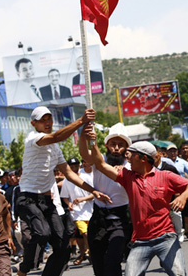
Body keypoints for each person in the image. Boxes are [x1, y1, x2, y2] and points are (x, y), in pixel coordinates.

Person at [86, 129, 188, 276]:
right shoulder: (127, 176)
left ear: (143, 158)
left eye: (131, 155)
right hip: (140, 242)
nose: (128, 157)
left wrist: (182, 197)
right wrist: (92, 141)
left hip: (166, 238)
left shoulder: (165, 176)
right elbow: (100, 164)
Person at [15, 106, 108, 276]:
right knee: (42, 233)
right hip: (27, 198)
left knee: (63, 248)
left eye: (49, 119)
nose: (47, 122)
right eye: (43, 120)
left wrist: (93, 191)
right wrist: (82, 121)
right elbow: (57, 136)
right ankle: (23, 269)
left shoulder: (55, 149)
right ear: (33, 123)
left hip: (46, 202)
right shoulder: (33, 138)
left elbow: (69, 173)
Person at [79, 121, 132, 276]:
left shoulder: (130, 167)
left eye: (120, 145)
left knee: (113, 259)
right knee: (98, 261)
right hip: (98, 218)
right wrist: (85, 136)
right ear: (107, 145)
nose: (116, 148)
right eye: (113, 144)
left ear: (126, 148)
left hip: (120, 220)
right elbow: (84, 153)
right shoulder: (98, 160)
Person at [60, 158, 94, 265]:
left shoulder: (86, 178)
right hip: (77, 213)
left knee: (90, 234)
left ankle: (88, 253)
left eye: (76, 166)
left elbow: (94, 194)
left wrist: (82, 199)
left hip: (90, 210)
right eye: (72, 167)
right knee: (85, 233)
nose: (74, 169)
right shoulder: (66, 181)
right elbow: (65, 196)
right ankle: (89, 252)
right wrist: (69, 204)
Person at [166, 144, 188, 241]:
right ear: (167, 153)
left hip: (183, 189)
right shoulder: (164, 163)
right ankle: (178, 231)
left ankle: (187, 229)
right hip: (170, 190)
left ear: (177, 152)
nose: (172, 153)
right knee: (175, 212)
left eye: (174, 151)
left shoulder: (182, 162)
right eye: (170, 151)